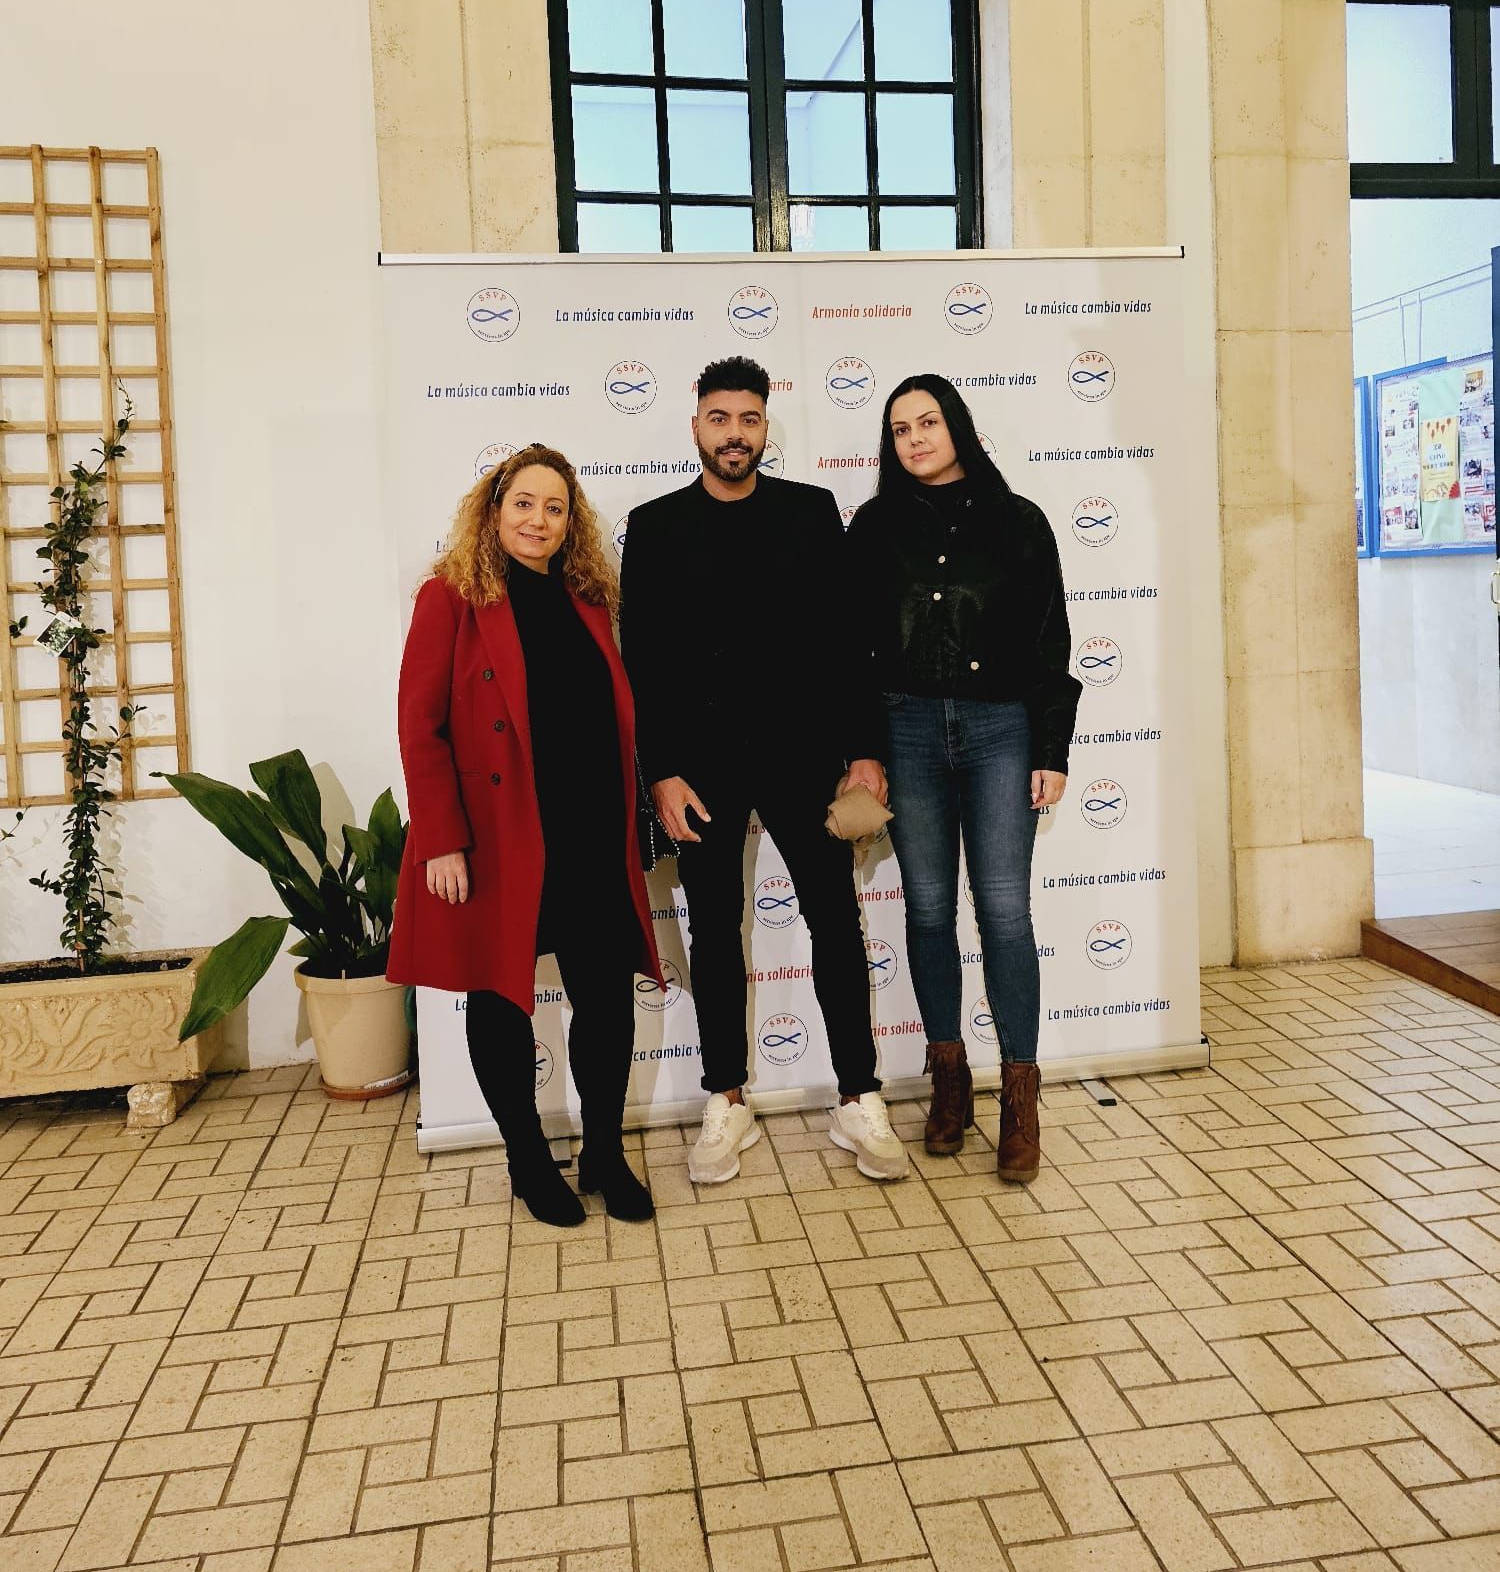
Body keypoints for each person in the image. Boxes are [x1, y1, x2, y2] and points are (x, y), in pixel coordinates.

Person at [620, 356, 908, 1184]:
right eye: (720, 418)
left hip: (804, 755)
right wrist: (661, 772)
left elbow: (848, 641)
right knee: (713, 934)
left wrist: (863, 751)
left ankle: (858, 1095)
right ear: (696, 426)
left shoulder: (809, 512)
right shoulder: (656, 525)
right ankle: (726, 1100)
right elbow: (644, 663)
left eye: (748, 419)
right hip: (701, 768)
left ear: (765, 428)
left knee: (836, 925)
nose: (734, 434)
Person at [386, 446, 663, 1228]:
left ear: (571, 523)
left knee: (605, 999)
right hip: (497, 836)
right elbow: (419, 726)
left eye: (555, 508)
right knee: (499, 998)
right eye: (525, 503)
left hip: (590, 831)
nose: (539, 520)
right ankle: (527, 1161)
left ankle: (603, 1153)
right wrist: (441, 838)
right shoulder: (449, 596)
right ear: (494, 508)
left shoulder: (585, 598)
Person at [846, 375, 1080, 1183]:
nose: (915, 438)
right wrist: (863, 748)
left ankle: (1020, 1100)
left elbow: (1050, 642)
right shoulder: (873, 527)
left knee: (1005, 912)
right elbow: (854, 648)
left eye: (928, 422)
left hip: (1001, 730)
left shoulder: (1020, 522)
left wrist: (1052, 749)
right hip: (906, 729)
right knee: (928, 909)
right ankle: (949, 1083)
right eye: (900, 428)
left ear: (958, 428)